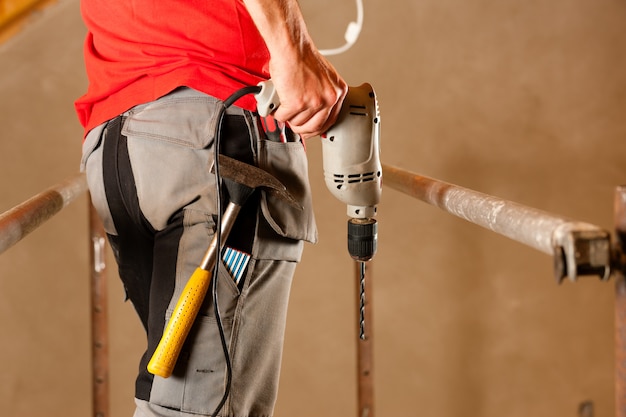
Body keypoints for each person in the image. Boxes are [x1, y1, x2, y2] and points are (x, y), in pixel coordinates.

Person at [75, 0, 348, 416]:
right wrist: (295, 52)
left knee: (178, 391)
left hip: (120, 148)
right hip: (216, 135)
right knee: (198, 405)